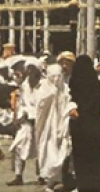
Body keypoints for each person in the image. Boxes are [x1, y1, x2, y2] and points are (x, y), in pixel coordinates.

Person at [69, 55, 100, 192]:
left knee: (80, 155)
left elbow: (71, 100)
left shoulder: (74, 82)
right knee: (94, 155)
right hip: (92, 124)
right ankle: (96, 182)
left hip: (78, 124)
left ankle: (83, 183)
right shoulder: (95, 83)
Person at [36, 64, 77, 192]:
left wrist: (71, 108)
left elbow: (70, 100)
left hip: (62, 126)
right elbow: (39, 106)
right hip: (48, 129)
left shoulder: (65, 88)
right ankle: (51, 181)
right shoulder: (44, 89)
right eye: (53, 76)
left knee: (65, 152)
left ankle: (63, 181)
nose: (56, 79)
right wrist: (50, 95)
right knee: (51, 154)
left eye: (59, 76)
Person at [7, 61, 44, 186]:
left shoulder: (44, 84)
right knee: (19, 146)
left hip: (41, 121)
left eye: (33, 69)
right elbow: (22, 103)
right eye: (29, 69)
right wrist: (18, 118)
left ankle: (41, 176)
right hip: (26, 120)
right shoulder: (25, 85)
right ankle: (18, 176)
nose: (31, 71)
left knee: (41, 149)